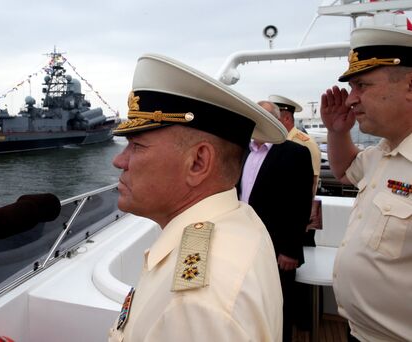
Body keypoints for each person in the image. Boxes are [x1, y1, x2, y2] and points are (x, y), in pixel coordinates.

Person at [108, 54, 286, 342]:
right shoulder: (239, 218)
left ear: (198, 163)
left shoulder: (196, 305)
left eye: (137, 146)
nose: (119, 160)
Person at [320, 26, 412, 341]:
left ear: (410, 85)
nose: (350, 100)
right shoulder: (383, 155)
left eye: (361, 85)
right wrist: (337, 132)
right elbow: (345, 170)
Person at [238, 100, 313, 342]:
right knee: (248, 301)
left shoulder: (295, 153)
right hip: (243, 242)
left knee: (279, 306)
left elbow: (300, 205)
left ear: (276, 121)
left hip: (278, 248)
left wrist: (291, 250)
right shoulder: (242, 151)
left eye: (262, 117)